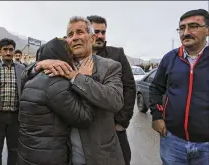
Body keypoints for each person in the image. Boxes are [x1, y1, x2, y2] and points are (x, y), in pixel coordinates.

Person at [22, 16, 125, 165]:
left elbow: (116, 100)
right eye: (70, 35)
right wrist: (38, 65)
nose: (75, 38)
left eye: (80, 32)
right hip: (66, 156)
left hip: (99, 156)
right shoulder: (58, 64)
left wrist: (78, 78)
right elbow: (24, 77)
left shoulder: (110, 67)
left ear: (92, 37)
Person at [18, 37, 95, 165]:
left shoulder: (31, 81)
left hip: (28, 154)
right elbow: (84, 118)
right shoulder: (56, 85)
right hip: (49, 157)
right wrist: (84, 80)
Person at [149, 9, 209, 165]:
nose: (186, 32)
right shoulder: (170, 58)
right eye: (182, 28)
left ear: (207, 30)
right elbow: (156, 88)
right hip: (173, 141)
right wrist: (156, 116)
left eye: (193, 26)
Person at [86, 15, 136, 165]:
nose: (100, 36)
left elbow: (129, 87)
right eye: (96, 31)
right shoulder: (76, 55)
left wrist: (121, 121)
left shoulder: (116, 55)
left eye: (103, 32)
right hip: (85, 125)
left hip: (113, 126)